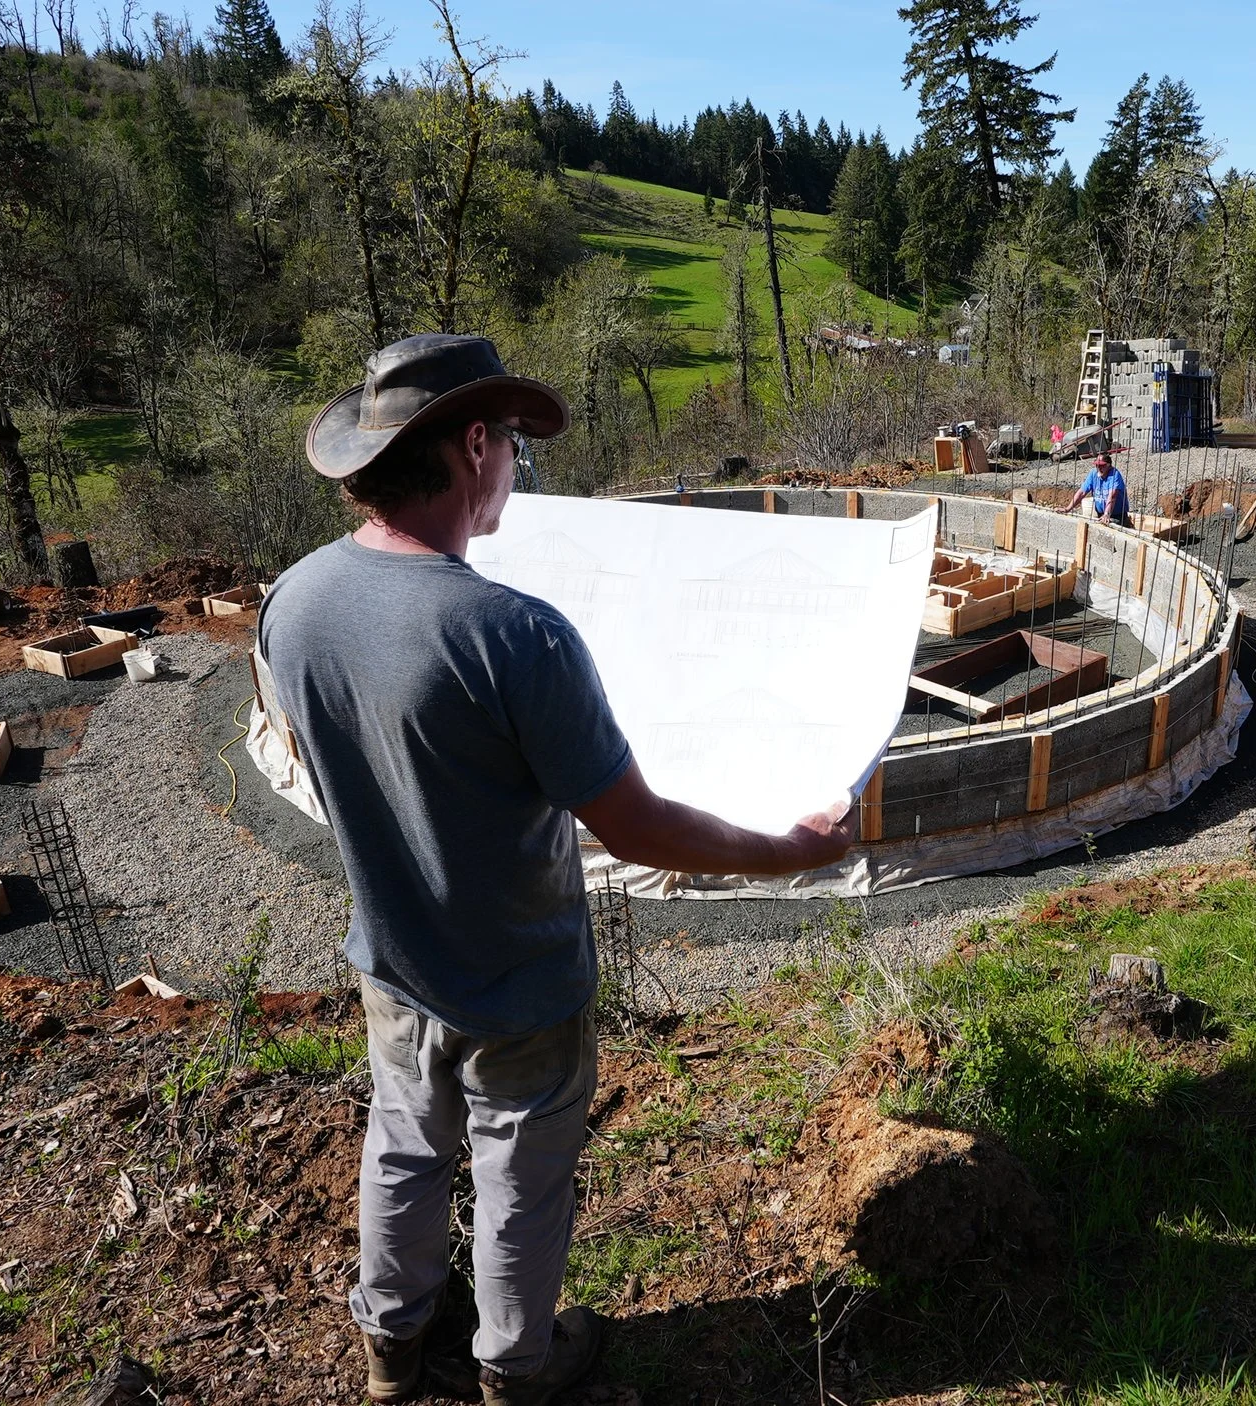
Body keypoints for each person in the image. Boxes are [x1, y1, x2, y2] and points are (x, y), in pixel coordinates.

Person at [260, 334, 853, 1406]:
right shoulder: (513, 635)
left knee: (403, 1145)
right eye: (510, 446)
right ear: (471, 447)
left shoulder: (294, 600)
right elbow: (637, 829)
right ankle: (514, 1369)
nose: (514, 468)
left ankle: (391, 1351)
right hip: (519, 978)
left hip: (391, 955)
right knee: (518, 1177)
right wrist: (792, 850)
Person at [1063, 453, 1131, 526]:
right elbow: (1082, 492)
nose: (1099, 468)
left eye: (1102, 465)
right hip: (1101, 514)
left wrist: (1106, 514)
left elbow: (1112, 497)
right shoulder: (1093, 473)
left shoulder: (1114, 475)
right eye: (1097, 465)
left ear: (1109, 465)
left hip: (1117, 516)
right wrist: (1067, 509)